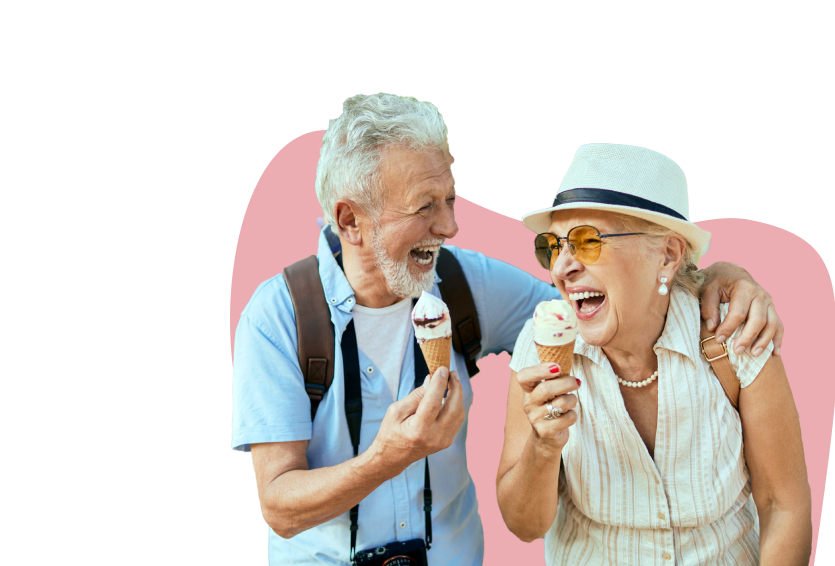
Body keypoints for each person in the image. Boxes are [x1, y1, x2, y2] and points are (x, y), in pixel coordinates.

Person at [231, 95, 786, 565]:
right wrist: (391, 455)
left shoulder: (464, 282)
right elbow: (279, 506)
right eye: (425, 207)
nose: (449, 227)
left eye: (449, 200)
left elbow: (601, 300)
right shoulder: (279, 317)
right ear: (350, 219)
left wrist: (717, 275)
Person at [496, 143, 811, 565]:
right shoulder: (542, 344)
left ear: (666, 255)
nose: (560, 267)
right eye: (552, 246)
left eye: (588, 241)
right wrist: (543, 446)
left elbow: (783, 507)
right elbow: (524, 526)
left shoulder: (734, 332)